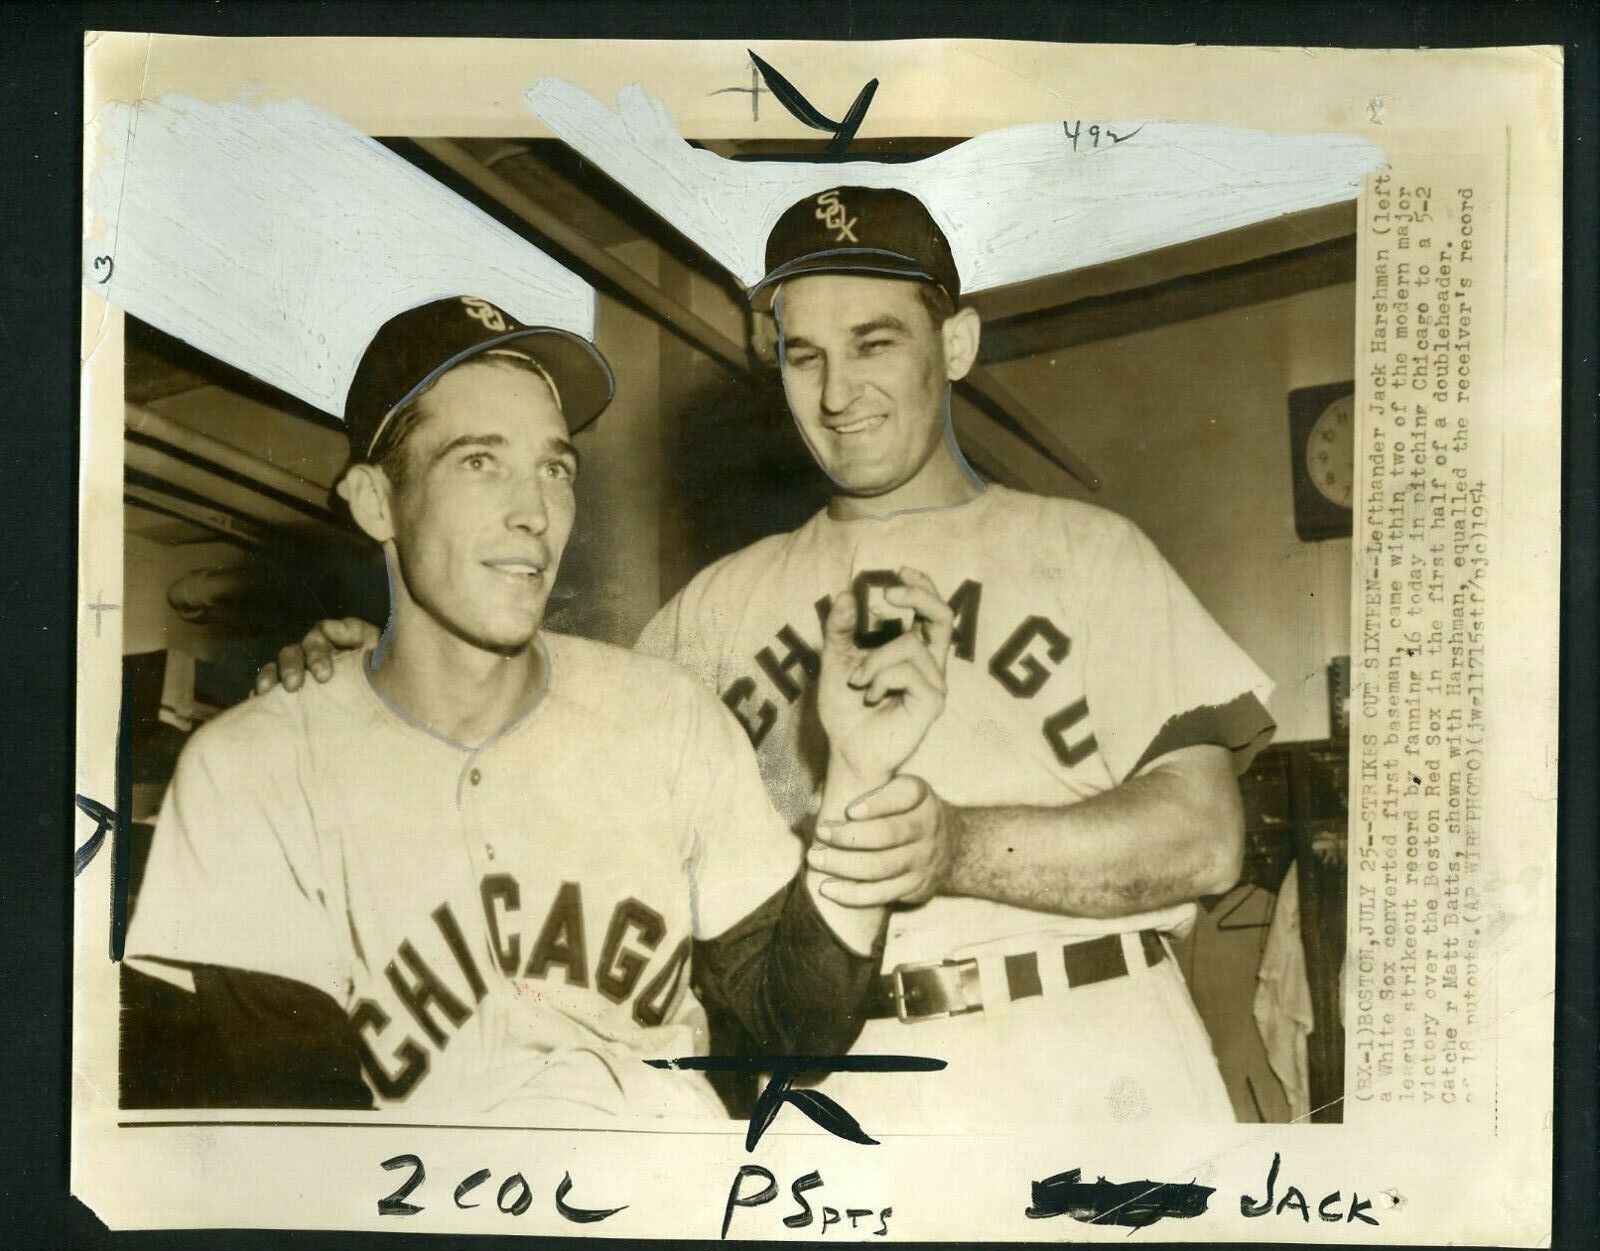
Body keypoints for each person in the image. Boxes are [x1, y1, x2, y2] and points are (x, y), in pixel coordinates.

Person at [266, 189, 1277, 1132]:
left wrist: (949, 847)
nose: (838, 393)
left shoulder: (1093, 551)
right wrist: (398, 669)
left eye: (874, 343)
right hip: (829, 1081)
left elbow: (1201, 836)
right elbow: (554, 765)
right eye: (803, 356)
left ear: (955, 343)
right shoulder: (711, 607)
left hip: (1084, 1045)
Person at [122, 295, 953, 1123]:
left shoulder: (671, 719)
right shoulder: (250, 771)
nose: (534, 513)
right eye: (479, 461)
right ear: (377, 503)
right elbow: (302, 1140)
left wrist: (855, 773)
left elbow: (795, 1036)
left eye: (555, 467)